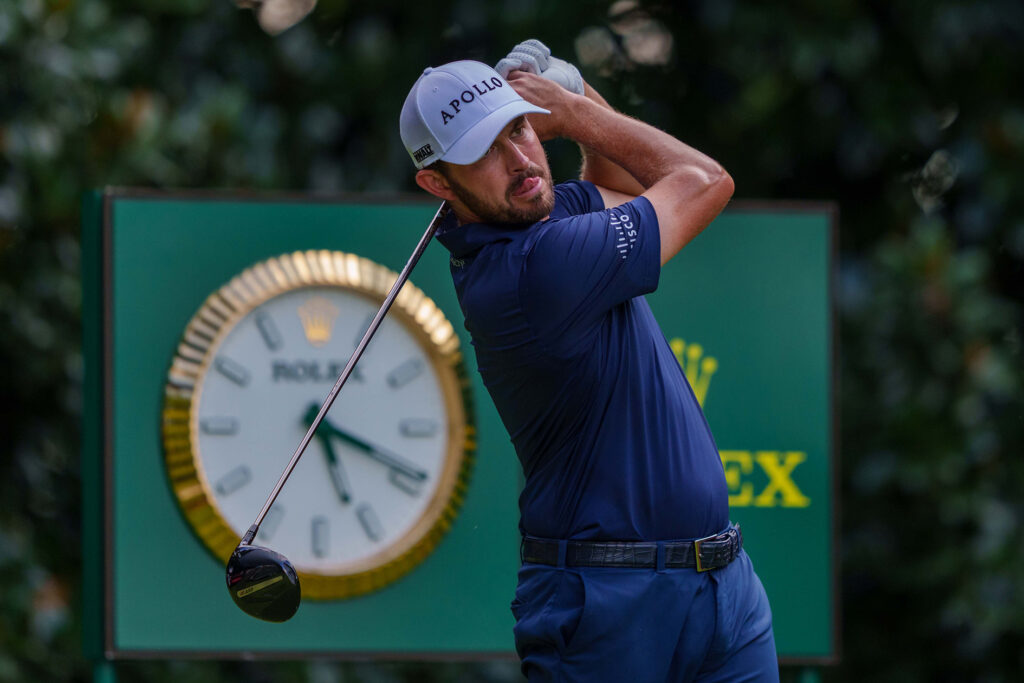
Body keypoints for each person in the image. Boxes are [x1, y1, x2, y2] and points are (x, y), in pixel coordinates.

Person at [400, 40, 778, 682]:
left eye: (519, 127)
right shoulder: (534, 270)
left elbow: (615, 182)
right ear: (437, 182)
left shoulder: (533, 217)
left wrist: (578, 96)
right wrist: (571, 113)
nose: (521, 159)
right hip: (608, 606)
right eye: (485, 150)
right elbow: (703, 182)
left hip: (722, 588)